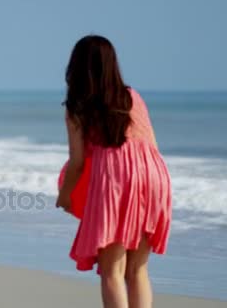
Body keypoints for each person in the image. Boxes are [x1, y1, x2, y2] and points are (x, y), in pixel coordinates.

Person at [56, 35, 172, 308]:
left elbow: (78, 161)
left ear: (76, 67)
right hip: (154, 177)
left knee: (112, 271)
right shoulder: (132, 96)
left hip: (116, 180)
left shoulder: (78, 106)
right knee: (138, 270)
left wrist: (65, 195)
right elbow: (151, 145)